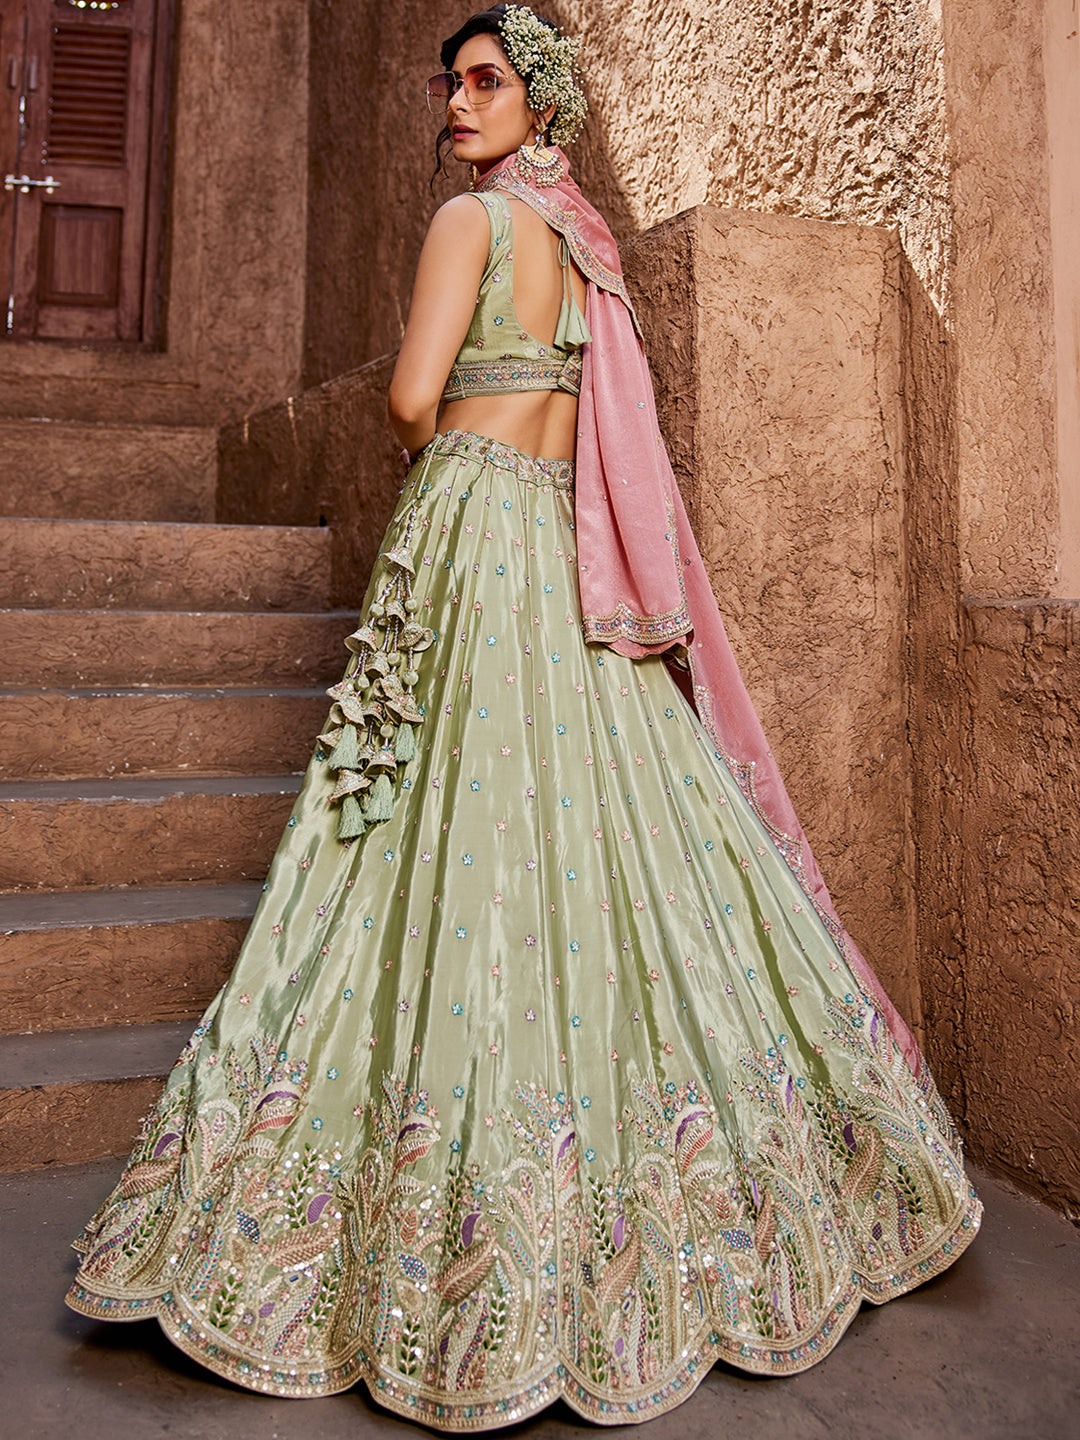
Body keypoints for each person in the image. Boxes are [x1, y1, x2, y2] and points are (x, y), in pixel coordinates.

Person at [66, 5, 981, 1427]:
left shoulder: (474, 222)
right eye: (452, 82)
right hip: (567, 544)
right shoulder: (587, 246)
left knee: (422, 835)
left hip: (475, 531)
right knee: (604, 830)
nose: (459, 101)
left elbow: (410, 398)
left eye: (487, 81)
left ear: (539, 104)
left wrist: (441, 448)